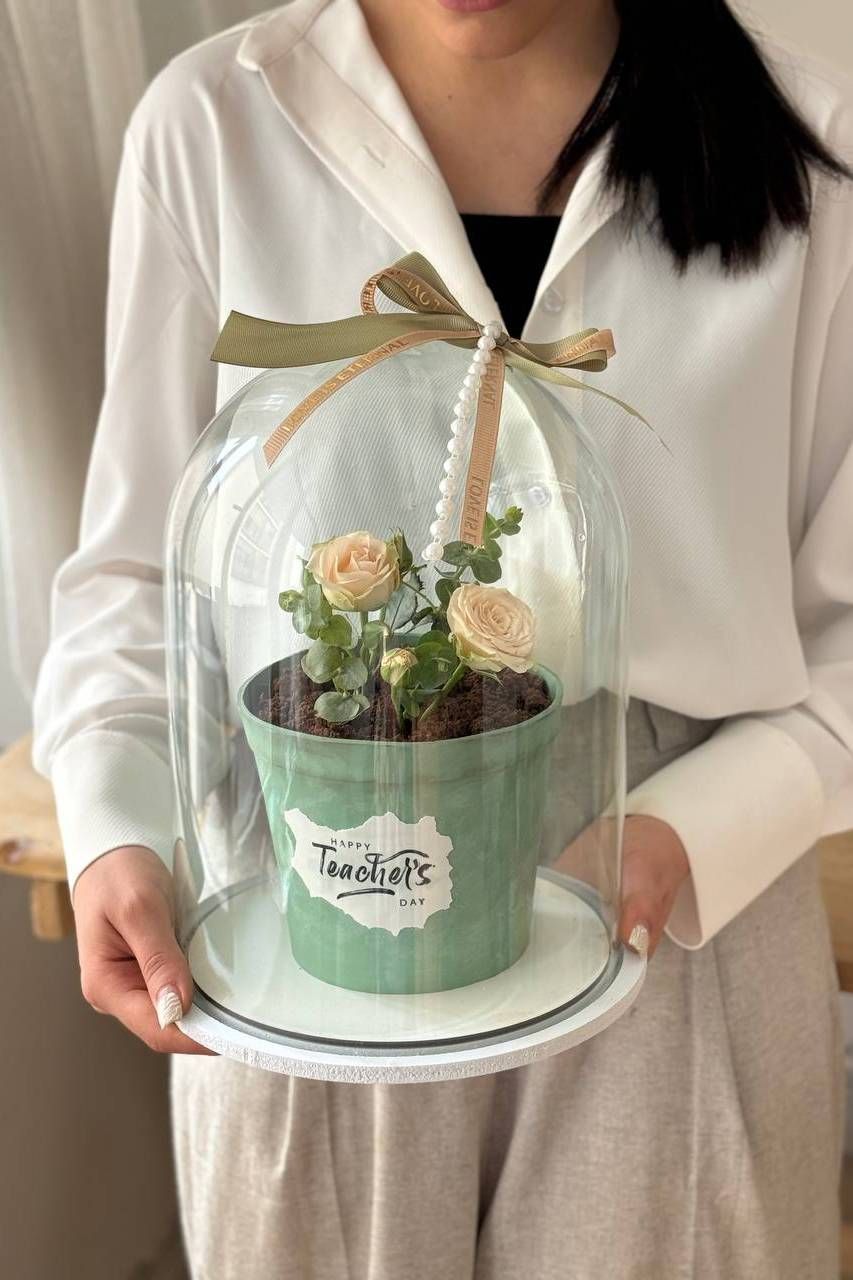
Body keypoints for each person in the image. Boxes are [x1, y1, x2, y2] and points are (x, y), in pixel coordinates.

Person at [32, 0, 853, 1275]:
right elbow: (140, 571)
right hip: (308, 892)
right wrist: (114, 827)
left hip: (680, 903)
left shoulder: (811, 146)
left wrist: (687, 831)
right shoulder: (214, 123)